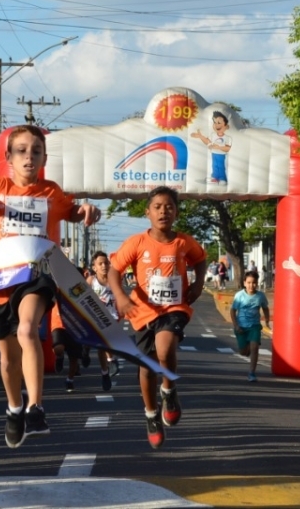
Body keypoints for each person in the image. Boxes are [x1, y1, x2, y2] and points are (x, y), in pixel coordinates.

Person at [0, 124, 100, 448]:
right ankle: (15, 408)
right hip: (1, 279)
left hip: (38, 274)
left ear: (44, 158)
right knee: (8, 359)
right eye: (22, 151)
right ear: (9, 157)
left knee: (28, 330)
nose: (30, 157)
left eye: (36, 151)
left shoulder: (51, 192)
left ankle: (36, 408)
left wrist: (86, 210)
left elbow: (72, 211)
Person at [108, 186, 207, 450]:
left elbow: (200, 260)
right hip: (143, 311)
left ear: (177, 212)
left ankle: (168, 391)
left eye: (169, 207)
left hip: (173, 307)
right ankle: (151, 414)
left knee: (165, 349)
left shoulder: (184, 242)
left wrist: (198, 284)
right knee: (147, 366)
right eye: (158, 207)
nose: (164, 211)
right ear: (148, 212)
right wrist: (120, 296)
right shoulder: (136, 243)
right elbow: (114, 270)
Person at [231, 271, 270, 382]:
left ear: (257, 283)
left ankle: (252, 373)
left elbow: (265, 308)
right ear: (244, 283)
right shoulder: (239, 296)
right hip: (241, 327)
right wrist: (236, 325)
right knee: (243, 352)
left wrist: (267, 321)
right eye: (248, 282)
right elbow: (233, 311)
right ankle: (247, 346)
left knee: (255, 347)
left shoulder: (260, 296)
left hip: (254, 326)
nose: (251, 285)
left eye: (254, 283)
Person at [88, 252, 117, 390]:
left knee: (107, 342)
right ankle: (105, 372)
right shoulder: (91, 281)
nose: (104, 266)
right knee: (101, 345)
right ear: (94, 267)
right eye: (100, 264)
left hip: (113, 317)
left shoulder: (114, 279)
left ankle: (111, 359)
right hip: (97, 318)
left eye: (106, 263)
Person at [191, 111, 233, 185]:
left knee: (220, 166)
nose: (216, 125)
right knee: (214, 165)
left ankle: (222, 178)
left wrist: (218, 147)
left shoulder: (227, 138)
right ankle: (215, 177)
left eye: (219, 123)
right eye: (214, 122)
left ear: (226, 126)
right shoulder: (213, 135)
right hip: (214, 154)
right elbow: (208, 141)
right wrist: (200, 136)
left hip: (221, 155)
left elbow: (228, 148)